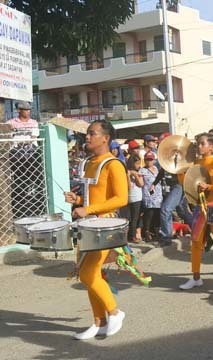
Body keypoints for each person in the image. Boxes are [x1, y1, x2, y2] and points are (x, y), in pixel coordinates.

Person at [63, 120, 128, 340]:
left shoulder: (114, 164)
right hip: (88, 225)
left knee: (88, 273)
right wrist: (79, 200)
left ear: (106, 138)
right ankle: (98, 322)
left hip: (105, 225)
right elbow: (93, 195)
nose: (87, 137)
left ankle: (115, 312)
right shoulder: (90, 163)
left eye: (92, 134)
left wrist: (88, 208)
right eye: (87, 134)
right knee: (89, 274)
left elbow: (121, 199)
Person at [179, 133, 213, 290]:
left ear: (211, 146)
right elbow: (187, 185)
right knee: (195, 241)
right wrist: (179, 172)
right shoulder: (195, 162)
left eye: (202, 143)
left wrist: (209, 187)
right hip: (200, 208)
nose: (198, 146)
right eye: (197, 144)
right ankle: (196, 276)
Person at [140, 152, 162, 241]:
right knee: (149, 214)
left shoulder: (156, 169)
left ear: (154, 160)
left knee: (157, 214)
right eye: (147, 160)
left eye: (151, 159)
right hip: (148, 195)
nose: (149, 161)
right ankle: (147, 231)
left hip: (158, 195)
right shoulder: (142, 170)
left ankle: (156, 232)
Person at [125, 154, 144, 243]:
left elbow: (141, 184)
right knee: (128, 218)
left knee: (135, 218)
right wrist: (129, 175)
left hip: (137, 198)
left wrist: (135, 175)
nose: (139, 165)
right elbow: (128, 186)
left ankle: (133, 235)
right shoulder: (126, 172)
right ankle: (130, 236)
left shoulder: (139, 172)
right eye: (137, 163)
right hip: (128, 198)